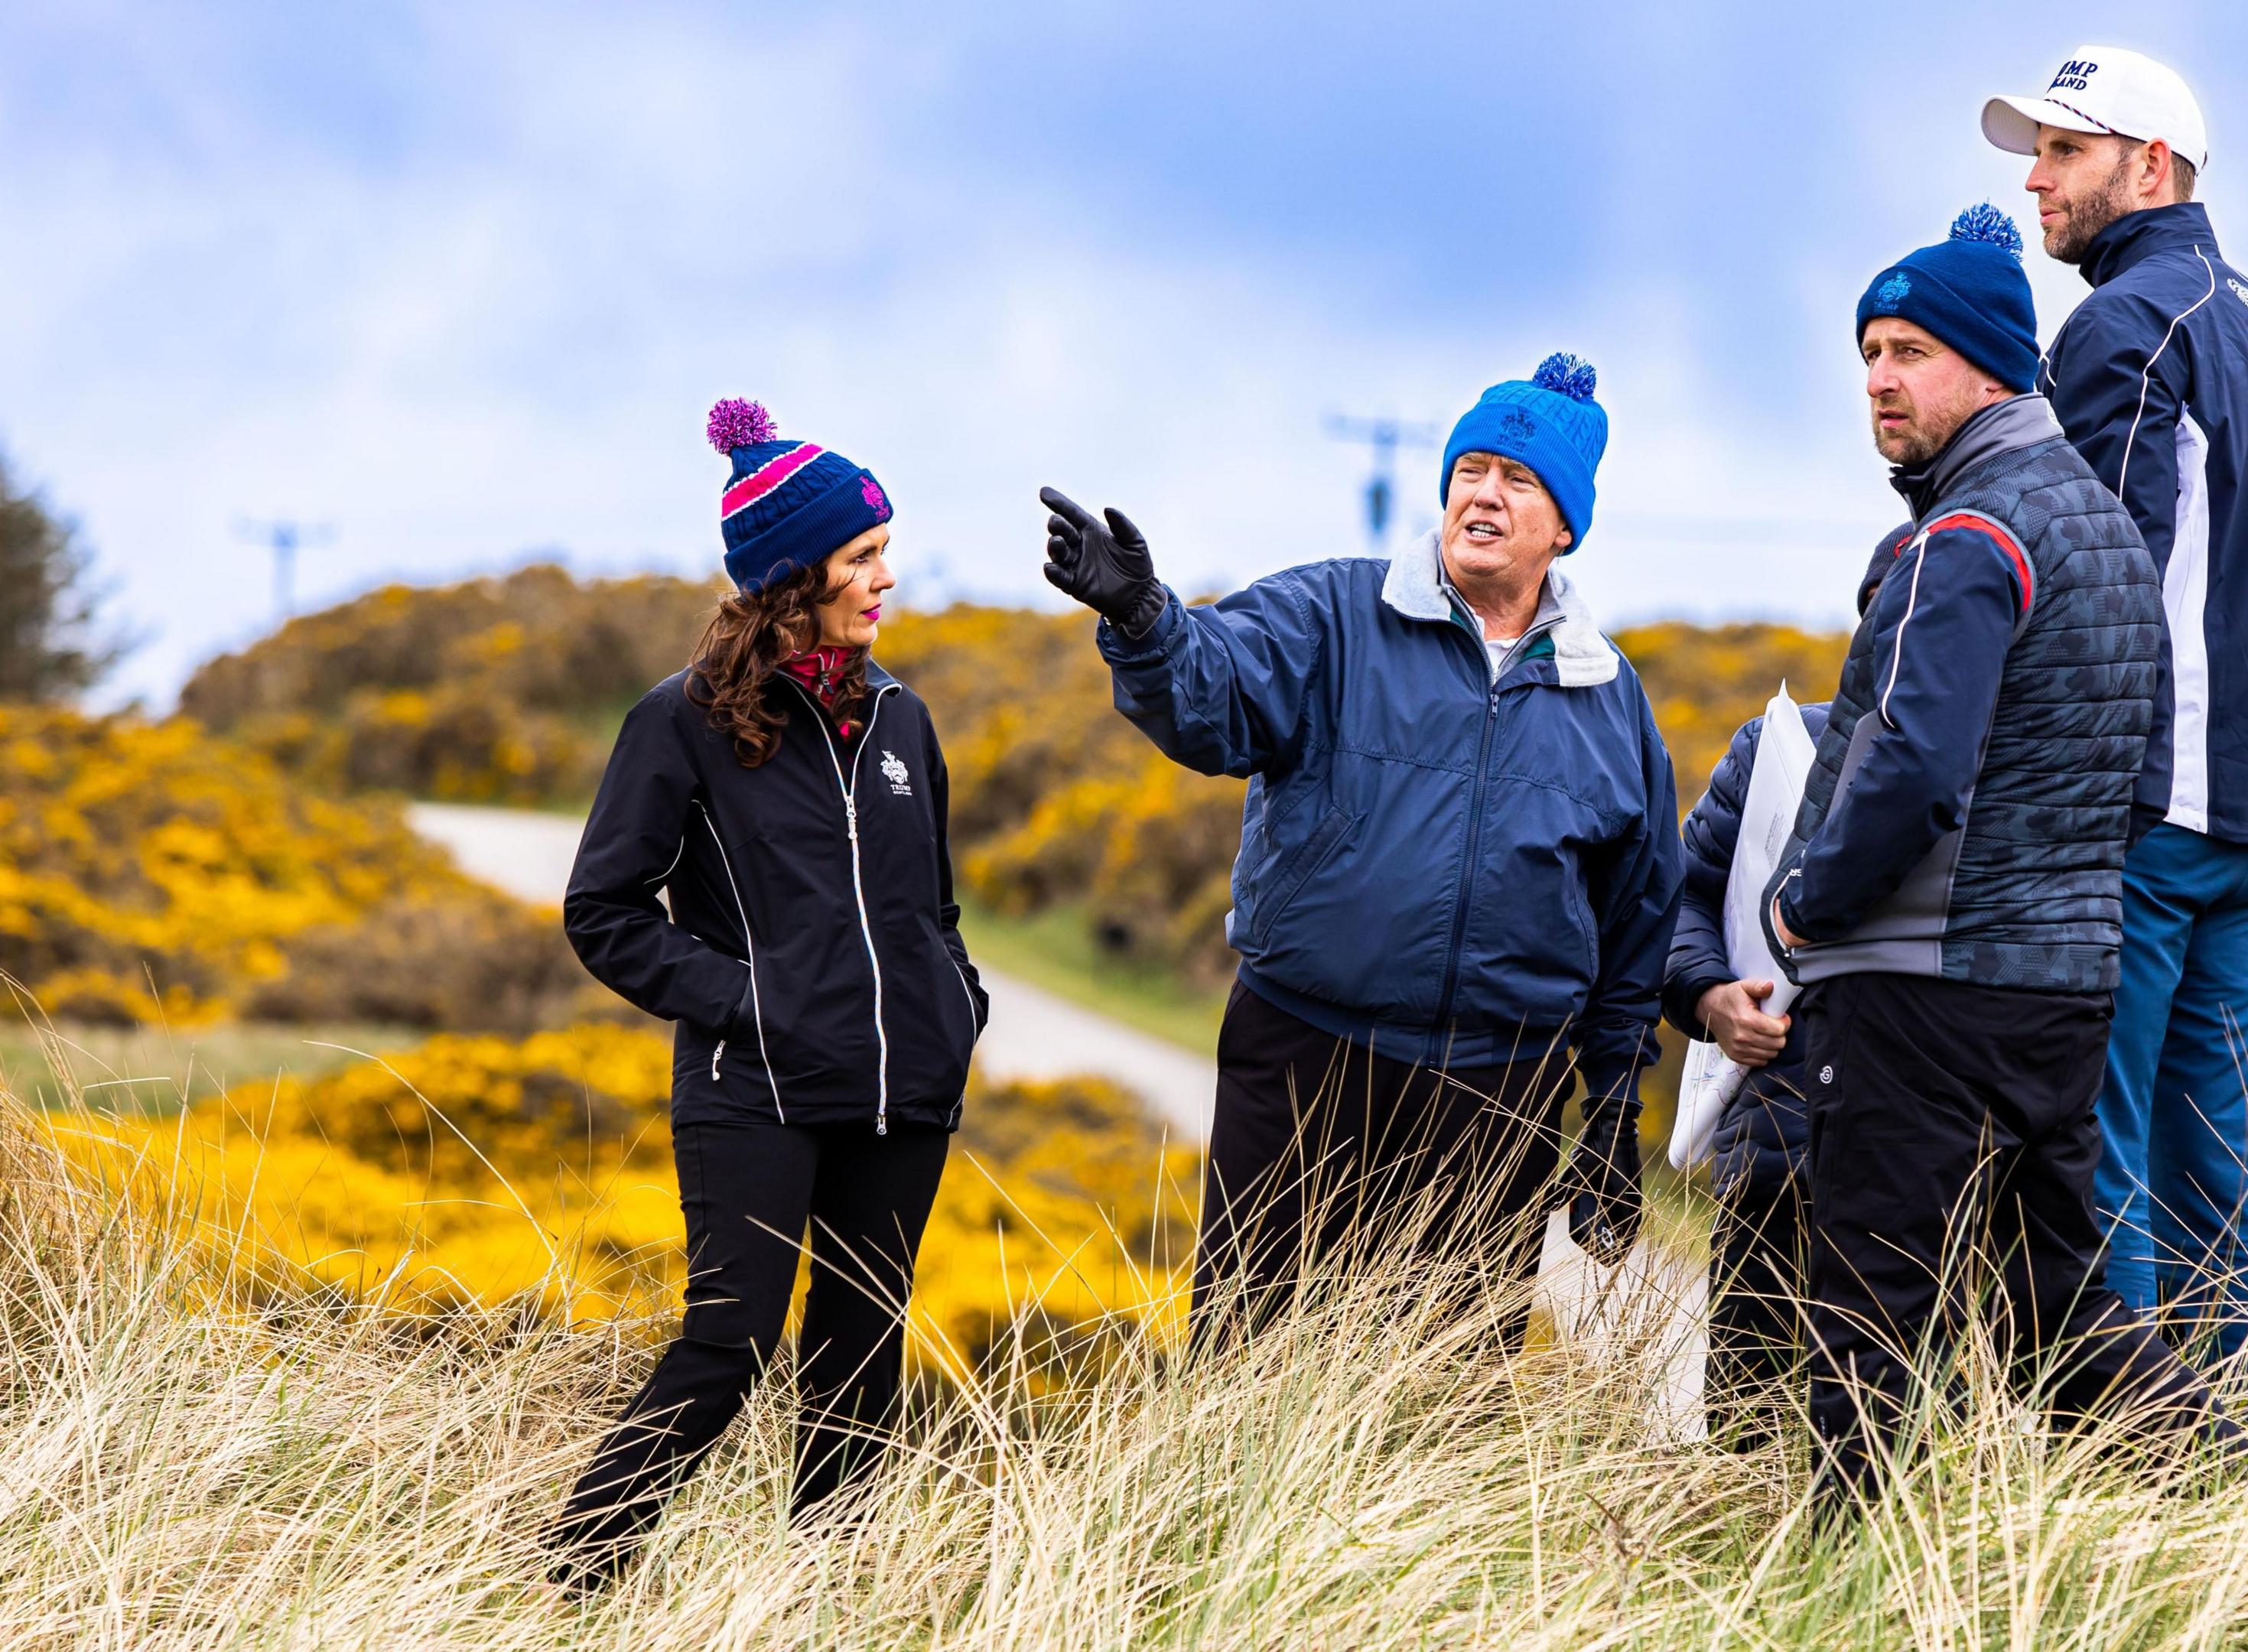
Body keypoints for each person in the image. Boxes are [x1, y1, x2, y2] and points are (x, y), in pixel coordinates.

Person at [1037, 353, 1681, 1353]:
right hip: (1305, 1058)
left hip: (1492, 1095)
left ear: (1564, 526)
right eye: (1470, 469)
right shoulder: (1335, 614)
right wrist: (1146, 623)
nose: (1483, 494)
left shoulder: (1609, 698)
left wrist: (1609, 1105)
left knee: (1447, 1384)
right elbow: (1217, 695)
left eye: (1518, 480)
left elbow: (1636, 916)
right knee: (1249, 1356)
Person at [1762, 206, 2230, 1504]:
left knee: (1870, 1307)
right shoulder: (2105, 534)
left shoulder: (1967, 539)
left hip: (1920, 983)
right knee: (2059, 1310)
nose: (1878, 381)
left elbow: (1911, 765)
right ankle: (2229, 1497)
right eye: (1867, 352)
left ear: (1991, 366)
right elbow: (2142, 767)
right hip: (2064, 985)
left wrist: (1804, 907)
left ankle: (1843, 1575)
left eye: (1910, 350)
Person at [546, 399, 986, 1589]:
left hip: (899, 1097)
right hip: (756, 1089)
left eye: (884, 549)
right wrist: (753, 1000)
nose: (887, 576)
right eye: (863, 557)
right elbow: (604, 913)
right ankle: (578, 1574)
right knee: (729, 1347)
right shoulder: (676, 725)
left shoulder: (904, 720)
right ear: (795, 577)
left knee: (860, 1362)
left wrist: (956, 1005)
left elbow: (933, 912)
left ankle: (818, 1601)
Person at [1985, 47, 2248, 1355]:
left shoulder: (2122, 326)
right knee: (2218, 1155)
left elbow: (2091, 585)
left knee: (2107, 1145)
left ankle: (2132, 1458)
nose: (2036, 178)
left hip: (2134, 814)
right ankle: (2242, 1440)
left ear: (2153, 167)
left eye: (2065, 152)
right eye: (2036, 151)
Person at [1662, 698, 1826, 1451]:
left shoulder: (2027, 755)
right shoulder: (1780, 744)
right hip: (1773, 1157)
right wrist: (1708, 993)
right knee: (1747, 1438)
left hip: (1941, 1169)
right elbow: (1682, 896)